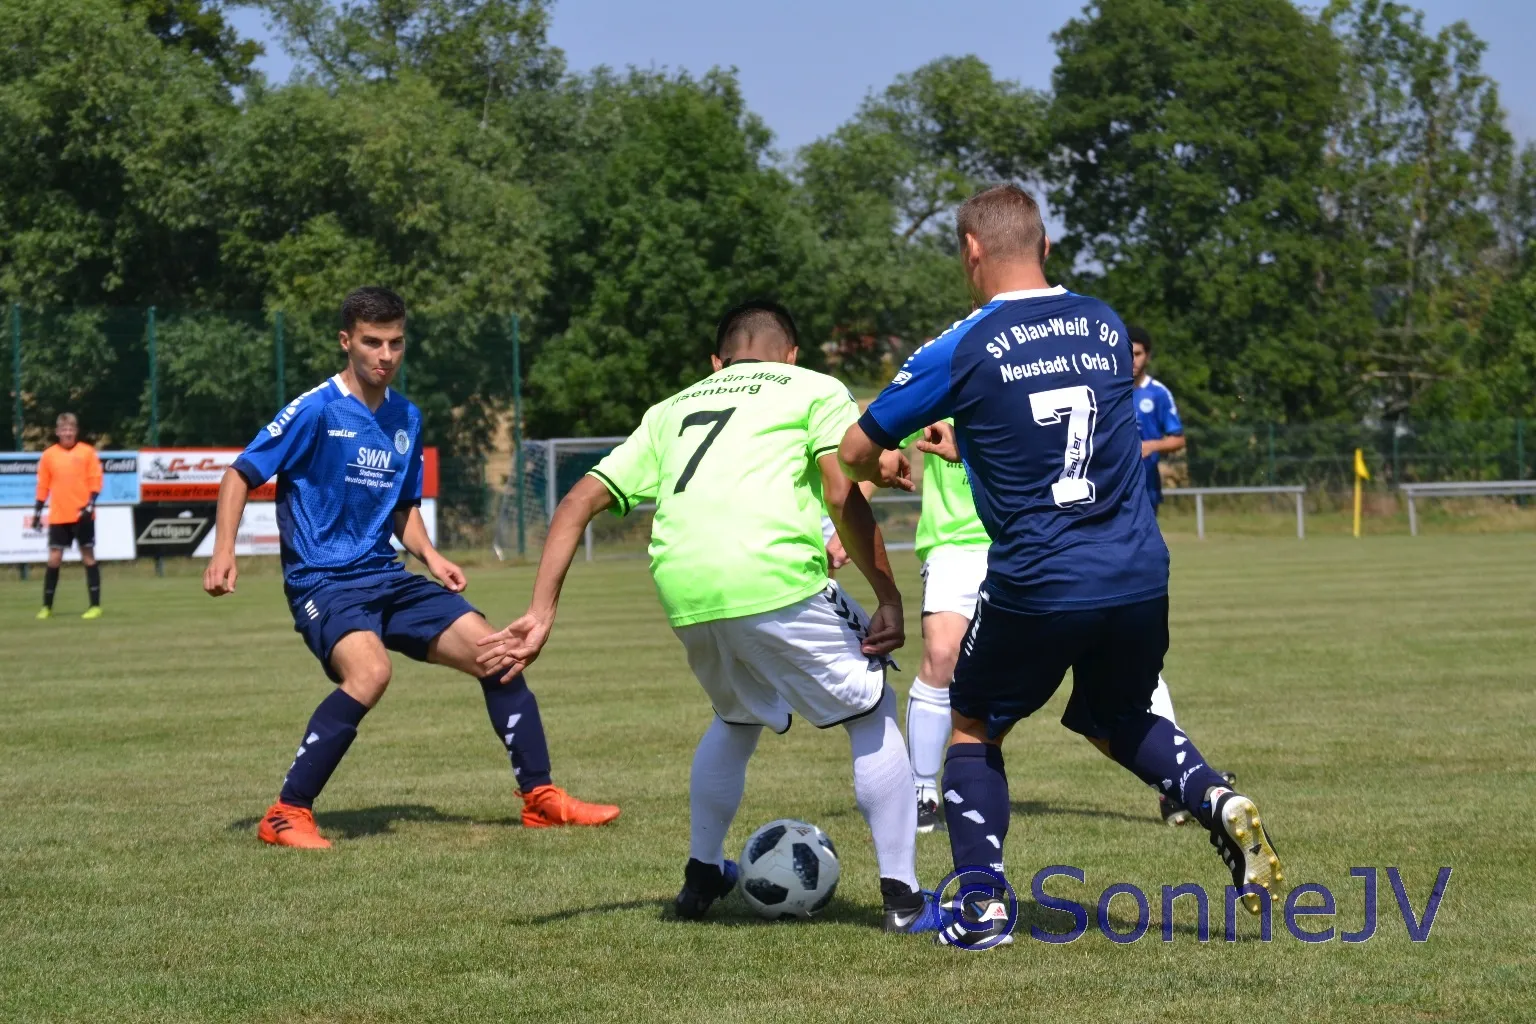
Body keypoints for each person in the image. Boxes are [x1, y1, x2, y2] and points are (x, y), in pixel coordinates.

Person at [839, 185, 1283, 946]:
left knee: (974, 727)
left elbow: (855, 451)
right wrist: (975, 444)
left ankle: (982, 910)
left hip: (1040, 576)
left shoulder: (964, 344)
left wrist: (883, 467)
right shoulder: (1105, 325)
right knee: (1119, 718)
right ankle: (1214, 798)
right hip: (1138, 569)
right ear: (1044, 246)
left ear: (971, 251)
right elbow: (1064, 429)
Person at [476, 300, 943, 933]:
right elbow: (841, 490)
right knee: (870, 708)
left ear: (717, 362)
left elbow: (578, 501)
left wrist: (540, 611)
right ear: (792, 355)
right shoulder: (813, 387)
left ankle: (702, 875)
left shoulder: (671, 409)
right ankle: (905, 899)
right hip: (770, 576)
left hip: (685, 590)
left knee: (736, 716)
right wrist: (887, 595)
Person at [203, 287, 618, 849]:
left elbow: (402, 510)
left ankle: (540, 799)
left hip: (387, 576)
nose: (385, 355)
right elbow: (239, 474)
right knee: (371, 674)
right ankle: (286, 813)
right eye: (372, 342)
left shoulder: (406, 416)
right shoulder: (316, 409)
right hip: (324, 582)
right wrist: (224, 550)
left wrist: (432, 556)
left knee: (499, 654)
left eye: (395, 342)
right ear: (346, 341)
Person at [905, 420, 1231, 829]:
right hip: (958, 546)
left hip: (1036, 540)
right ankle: (921, 795)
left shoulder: (1042, 383)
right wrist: (850, 510)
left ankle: (1178, 788)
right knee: (943, 656)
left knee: (1115, 673)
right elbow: (871, 444)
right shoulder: (934, 383)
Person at [33, 412, 104, 620]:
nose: (67, 433)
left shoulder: (87, 452)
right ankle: (46, 607)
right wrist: (37, 512)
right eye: (64, 429)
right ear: (57, 432)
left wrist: (90, 506)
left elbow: (95, 480)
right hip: (59, 515)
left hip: (82, 514)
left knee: (88, 557)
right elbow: (43, 485)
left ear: (76, 431)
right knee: (54, 559)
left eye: (71, 429)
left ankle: (95, 606)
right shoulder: (49, 455)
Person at [1129, 326, 1185, 515]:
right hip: (1111, 486)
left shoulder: (1158, 394)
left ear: (1148, 356)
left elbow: (1178, 439)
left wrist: (1151, 446)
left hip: (1146, 487)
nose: (1132, 360)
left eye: (1137, 354)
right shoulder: (1107, 391)